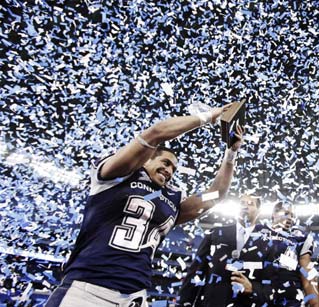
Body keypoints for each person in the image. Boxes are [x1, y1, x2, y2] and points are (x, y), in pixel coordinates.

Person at [45, 105, 244, 307]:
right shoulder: (118, 176)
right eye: (166, 163)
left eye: (174, 169)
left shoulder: (173, 198)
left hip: (134, 297)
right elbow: (154, 134)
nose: (169, 171)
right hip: (88, 289)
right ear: (147, 158)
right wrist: (209, 117)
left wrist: (231, 154)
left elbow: (214, 196)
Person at [178, 195, 274, 307]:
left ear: (259, 211)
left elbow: (272, 282)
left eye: (250, 204)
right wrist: (183, 303)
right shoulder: (215, 234)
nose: (245, 206)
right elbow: (196, 271)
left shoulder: (269, 242)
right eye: (242, 203)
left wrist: (253, 289)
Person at [266, 203, 319, 307]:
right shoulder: (260, 231)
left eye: (292, 215)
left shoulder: (300, 239)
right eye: (286, 213)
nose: (290, 218)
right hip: (261, 296)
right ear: (274, 214)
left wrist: (315, 303)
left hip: (290, 299)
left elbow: (307, 273)